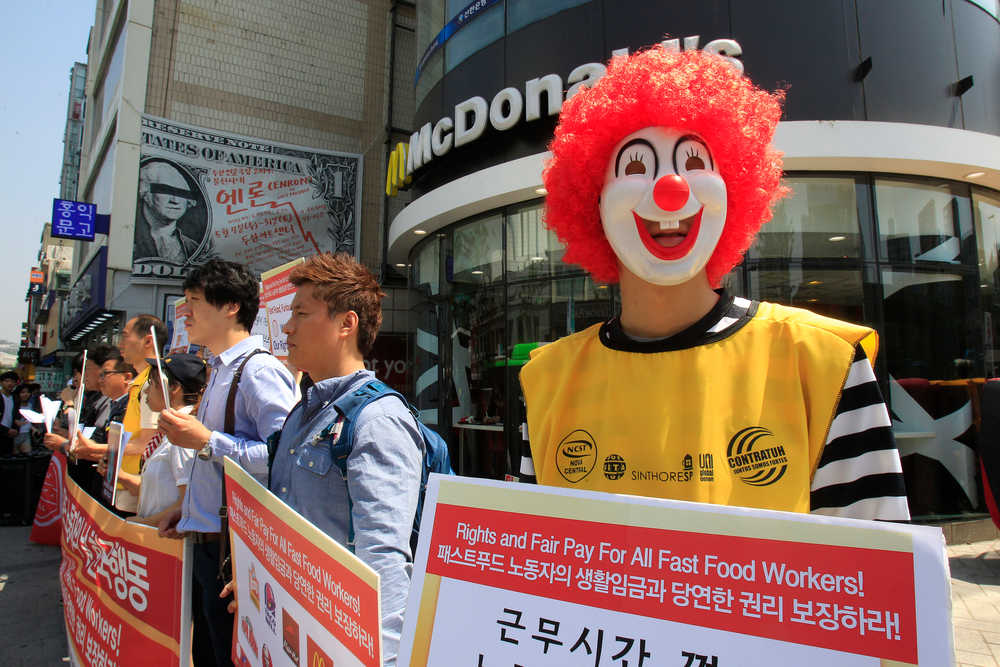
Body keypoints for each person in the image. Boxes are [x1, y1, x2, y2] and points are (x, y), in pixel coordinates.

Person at [519, 47, 909, 521]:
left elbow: (872, 582)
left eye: (694, 163)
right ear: (591, 202)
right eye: (637, 167)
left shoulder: (824, 365)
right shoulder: (546, 383)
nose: (671, 188)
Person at [268, 252, 423, 666]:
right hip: (291, 632)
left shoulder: (378, 421)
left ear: (345, 323)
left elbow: (384, 560)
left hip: (338, 645)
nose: (287, 327)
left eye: (301, 314)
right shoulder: (303, 412)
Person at [157, 259, 295, 667]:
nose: (185, 312)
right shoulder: (219, 369)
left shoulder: (258, 371)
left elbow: (283, 458)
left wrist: (207, 440)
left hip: (232, 550)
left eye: (194, 301)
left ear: (231, 306)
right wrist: (189, 508)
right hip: (207, 540)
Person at [129, 354, 206, 526]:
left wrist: (142, 524)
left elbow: (188, 502)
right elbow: (160, 489)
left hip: (168, 544)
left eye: (153, 384)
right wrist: (121, 477)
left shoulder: (183, 435)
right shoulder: (169, 430)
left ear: (173, 388)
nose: (147, 391)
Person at [118, 314, 169, 512]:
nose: (120, 343)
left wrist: (99, 450)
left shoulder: (153, 383)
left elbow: (146, 443)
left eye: (125, 336)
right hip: (128, 484)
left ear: (148, 340)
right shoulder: (141, 381)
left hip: (137, 488)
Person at [133, 160, 215, 265]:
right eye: (165, 190)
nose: (175, 200)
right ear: (145, 193)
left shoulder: (192, 247)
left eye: (182, 193)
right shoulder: (129, 238)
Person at [0, 371, 20, 457]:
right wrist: (6, 430)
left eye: (12, 381)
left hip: (10, 435)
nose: (10, 383)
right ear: (1, 382)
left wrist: (16, 429)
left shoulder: (15, 398)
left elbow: (16, 416)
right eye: (7, 381)